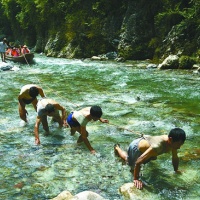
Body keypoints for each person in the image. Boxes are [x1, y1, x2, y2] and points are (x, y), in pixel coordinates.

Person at [114, 128, 186, 190]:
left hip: (147, 145)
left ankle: (149, 156)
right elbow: (138, 161)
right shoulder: (158, 146)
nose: (179, 147)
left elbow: (175, 157)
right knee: (128, 162)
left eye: (181, 144)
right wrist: (136, 179)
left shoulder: (173, 143)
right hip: (136, 148)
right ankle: (117, 148)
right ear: (170, 139)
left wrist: (176, 170)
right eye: (178, 144)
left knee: (153, 156)